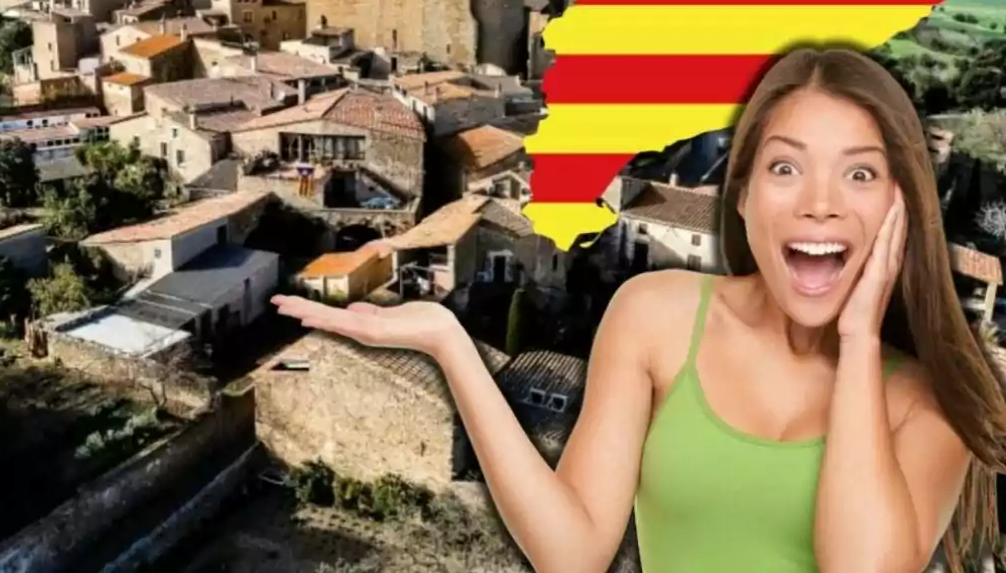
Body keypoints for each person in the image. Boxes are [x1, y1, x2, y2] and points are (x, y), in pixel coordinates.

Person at [273, 46, 1006, 573]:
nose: (819, 202)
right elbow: (573, 552)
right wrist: (449, 343)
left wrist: (855, 338)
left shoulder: (932, 404)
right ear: (742, 195)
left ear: (901, 208)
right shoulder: (655, 316)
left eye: (860, 173)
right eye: (786, 167)